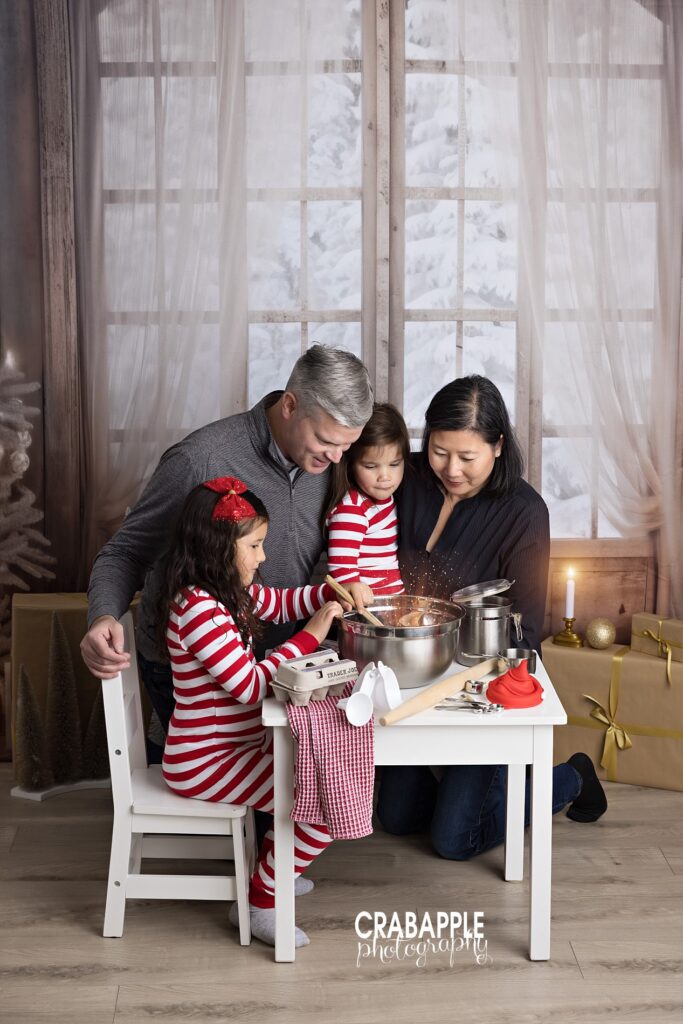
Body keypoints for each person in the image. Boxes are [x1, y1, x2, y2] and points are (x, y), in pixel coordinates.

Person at [80, 344, 373, 746]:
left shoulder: (326, 465)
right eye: (327, 440)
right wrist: (101, 616)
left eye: (347, 446)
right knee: (260, 783)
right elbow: (125, 552)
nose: (339, 458)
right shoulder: (200, 459)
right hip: (191, 669)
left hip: (277, 660)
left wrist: (333, 593)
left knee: (306, 766)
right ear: (290, 405)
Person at [376, 375, 607, 860]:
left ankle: (571, 776)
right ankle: (469, 790)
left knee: (453, 841)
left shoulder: (523, 512)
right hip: (407, 672)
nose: (451, 469)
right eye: (440, 451)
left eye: (467, 457)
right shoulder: (405, 476)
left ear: (498, 446)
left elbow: (526, 629)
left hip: (478, 680)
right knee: (396, 819)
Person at [158, 476, 345, 948]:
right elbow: (250, 686)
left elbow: (281, 603)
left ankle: (277, 863)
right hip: (204, 761)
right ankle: (264, 896)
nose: (263, 557)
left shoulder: (225, 592)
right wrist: (312, 636)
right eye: (255, 545)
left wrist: (326, 596)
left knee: (314, 770)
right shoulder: (197, 609)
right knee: (322, 798)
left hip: (234, 746)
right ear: (219, 546)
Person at [324, 403, 409, 611]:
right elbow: (343, 572)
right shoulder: (352, 509)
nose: (385, 477)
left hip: (390, 607)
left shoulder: (385, 499)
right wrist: (361, 613)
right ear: (351, 463)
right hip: (368, 612)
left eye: (394, 464)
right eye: (371, 466)